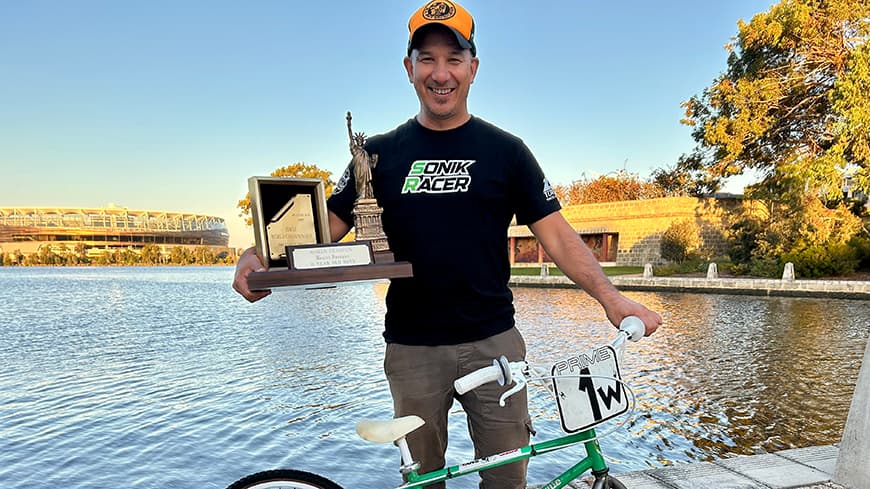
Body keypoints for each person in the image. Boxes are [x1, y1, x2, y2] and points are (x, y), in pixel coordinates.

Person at [232, 1, 663, 487]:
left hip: (495, 343)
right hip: (412, 348)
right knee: (423, 481)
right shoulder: (376, 154)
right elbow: (321, 229)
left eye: (454, 58)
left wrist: (611, 298)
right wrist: (261, 255)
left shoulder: (507, 151)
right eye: (427, 58)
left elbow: (559, 236)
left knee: (506, 480)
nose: (441, 74)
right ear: (409, 68)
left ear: (473, 68)